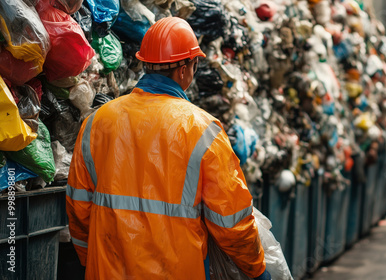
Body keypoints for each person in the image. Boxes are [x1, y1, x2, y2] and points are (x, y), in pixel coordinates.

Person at [66, 17, 271, 280]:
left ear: (145, 64)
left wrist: (90, 260)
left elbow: (79, 207)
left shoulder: (97, 122)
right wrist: (256, 268)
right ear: (184, 69)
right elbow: (231, 220)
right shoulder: (204, 130)